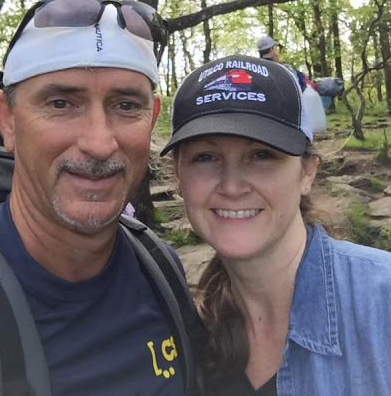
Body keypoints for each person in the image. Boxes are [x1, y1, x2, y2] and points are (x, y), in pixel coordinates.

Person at [0, 0, 195, 396]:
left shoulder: (159, 266)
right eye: (61, 103)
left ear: (151, 118)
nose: (99, 143)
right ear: (6, 120)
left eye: (126, 105)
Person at [161, 53, 391, 395]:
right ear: (178, 176)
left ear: (307, 172)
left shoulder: (381, 305)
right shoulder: (184, 335)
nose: (232, 186)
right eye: (205, 157)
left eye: (262, 155)